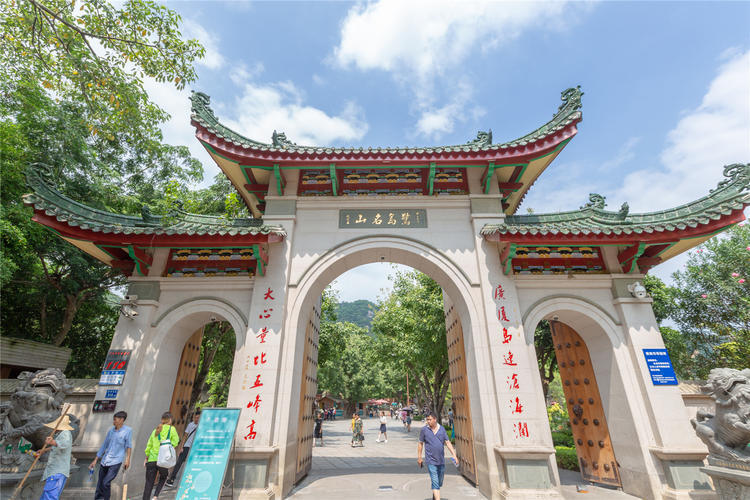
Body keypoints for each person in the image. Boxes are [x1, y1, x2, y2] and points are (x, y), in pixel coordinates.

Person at [90, 411, 132, 500]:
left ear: (121, 420)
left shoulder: (128, 431)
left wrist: (127, 460)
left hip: (116, 462)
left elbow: (128, 446)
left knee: (106, 483)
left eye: (115, 419)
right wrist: (95, 459)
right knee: (100, 483)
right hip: (105, 461)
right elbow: (104, 445)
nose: (113, 421)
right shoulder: (111, 431)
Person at [418, 412, 458, 500]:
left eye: (430, 419)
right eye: (427, 419)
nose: (428, 421)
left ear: (435, 419)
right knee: (435, 482)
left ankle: (435, 494)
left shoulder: (442, 429)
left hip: (441, 460)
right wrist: (419, 457)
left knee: (439, 482)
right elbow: (420, 443)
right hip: (430, 460)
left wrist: (454, 455)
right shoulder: (424, 430)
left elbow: (447, 442)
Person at [142, 412, 179, 500]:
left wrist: (147, 457)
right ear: (170, 420)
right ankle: (155, 496)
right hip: (163, 460)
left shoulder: (156, 430)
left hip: (152, 459)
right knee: (164, 477)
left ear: (162, 420)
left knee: (148, 483)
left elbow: (149, 445)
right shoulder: (172, 429)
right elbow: (176, 442)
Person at [37, 414, 74, 500]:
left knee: (50, 496)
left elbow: (63, 444)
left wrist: (52, 442)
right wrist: (44, 450)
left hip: (57, 471)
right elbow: (56, 446)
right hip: (55, 470)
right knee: (46, 496)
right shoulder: (60, 434)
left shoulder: (66, 433)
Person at [165, 410, 200, 487]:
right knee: (179, 463)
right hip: (187, 446)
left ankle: (188, 481)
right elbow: (185, 436)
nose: (197, 419)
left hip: (195, 448)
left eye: (198, 418)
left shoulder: (201, 426)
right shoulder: (190, 425)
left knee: (191, 464)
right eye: (196, 417)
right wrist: (181, 447)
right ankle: (171, 479)